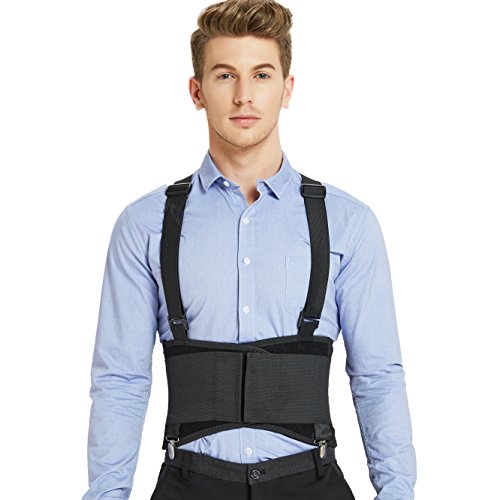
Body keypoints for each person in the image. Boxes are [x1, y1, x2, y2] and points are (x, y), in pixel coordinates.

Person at [82, 0, 417, 499]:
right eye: (225, 76)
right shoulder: (145, 224)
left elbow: (377, 376)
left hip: (311, 484)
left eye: (261, 75)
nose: (244, 95)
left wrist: (397, 492)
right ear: (197, 92)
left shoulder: (347, 223)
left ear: (287, 88)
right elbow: (121, 380)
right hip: (191, 484)